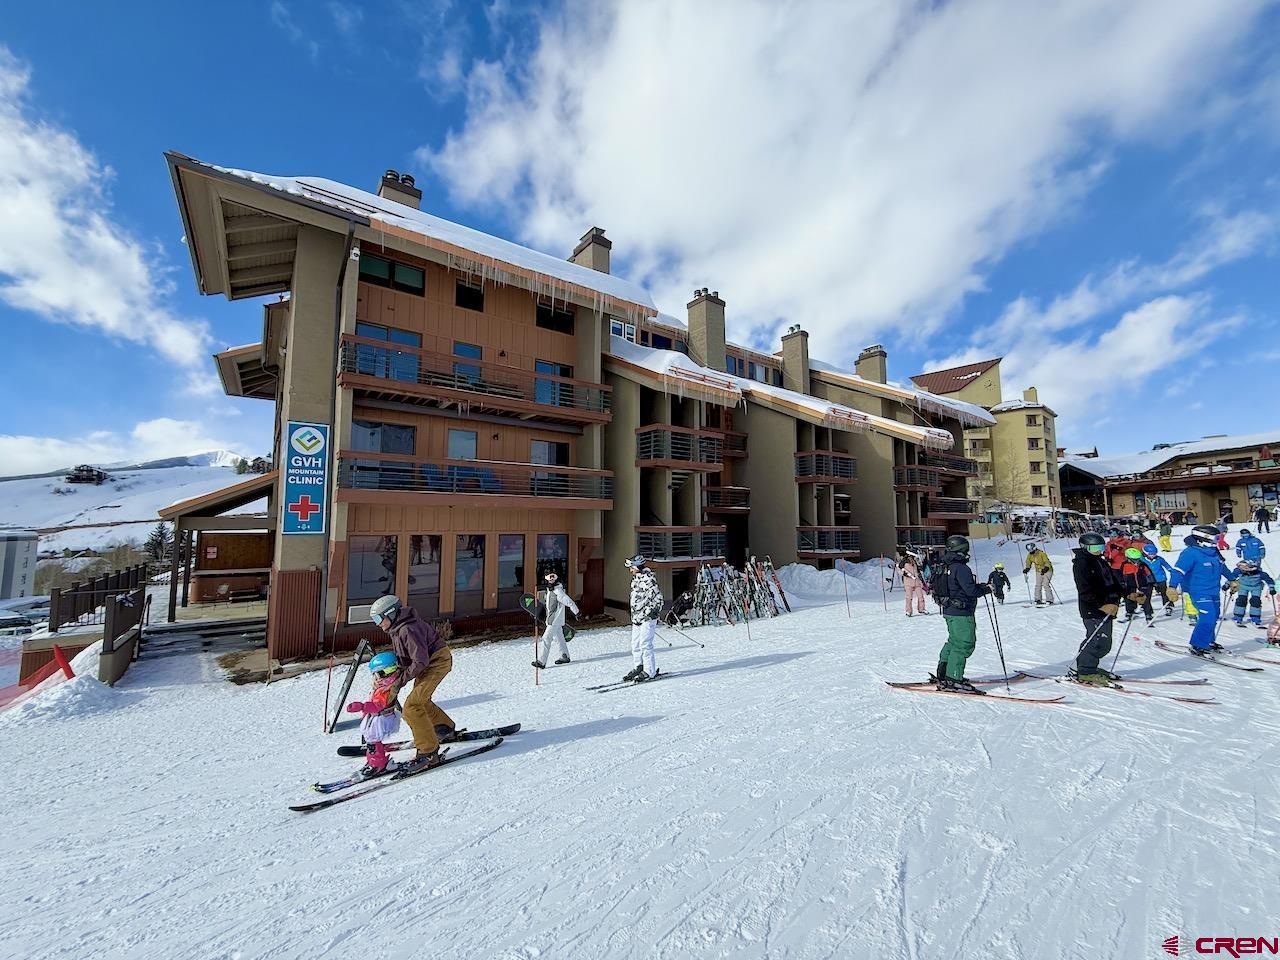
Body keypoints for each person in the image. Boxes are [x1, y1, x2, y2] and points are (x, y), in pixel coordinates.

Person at [369, 594, 455, 768]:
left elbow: (419, 661)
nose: (378, 623)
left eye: (379, 618)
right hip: (428, 663)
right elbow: (406, 659)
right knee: (420, 701)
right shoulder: (397, 629)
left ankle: (428, 753)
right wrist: (389, 678)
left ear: (391, 613)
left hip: (436, 662)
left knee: (412, 707)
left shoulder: (407, 629)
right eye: (374, 619)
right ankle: (443, 727)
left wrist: (399, 680)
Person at [930, 535, 992, 693]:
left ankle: (943, 673)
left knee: (953, 641)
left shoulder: (944, 565)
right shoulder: (961, 568)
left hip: (948, 610)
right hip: (961, 612)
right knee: (964, 643)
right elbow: (970, 590)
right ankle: (954, 678)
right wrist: (986, 589)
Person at [1168, 525, 1241, 656]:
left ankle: (1208, 641)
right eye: (1215, 538)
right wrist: (1172, 587)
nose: (1217, 541)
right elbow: (1178, 571)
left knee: (1213, 616)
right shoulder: (1190, 553)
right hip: (1198, 590)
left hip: (1213, 590)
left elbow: (1222, 567)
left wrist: (1232, 579)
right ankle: (1197, 645)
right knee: (1208, 617)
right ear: (1204, 538)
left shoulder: (1213, 552)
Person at [1072, 532, 1126, 685]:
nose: (1099, 550)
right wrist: (1102, 605)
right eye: (1095, 547)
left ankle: (1088, 666)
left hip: (1107, 608)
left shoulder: (1100, 561)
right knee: (1097, 641)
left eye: (1101, 547)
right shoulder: (1081, 564)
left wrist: (1129, 594)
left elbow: (1113, 583)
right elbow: (1084, 590)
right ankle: (1086, 671)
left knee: (1104, 643)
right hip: (1093, 609)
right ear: (1085, 547)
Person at [345, 651, 405, 777]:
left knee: (373, 743)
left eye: (381, 673)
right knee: (372, 743)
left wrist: (362, 706)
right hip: (376, 718)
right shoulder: (382, 686)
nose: (378, 677)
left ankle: (378, 764)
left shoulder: (386, 689)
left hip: (381, 719)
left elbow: (378, 705)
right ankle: (374, 762)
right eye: (376, 674)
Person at [623, 554, 664, 682]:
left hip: (647, 617)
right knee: (635, 644)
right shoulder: (636, 579)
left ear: (638, 566)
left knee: (645, 644)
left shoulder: (648, 579)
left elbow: (658, 598)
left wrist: (651, 611)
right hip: (637, 617)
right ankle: (638, 666)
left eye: (632, 567)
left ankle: (649, 670)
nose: (630, 570)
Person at [532, 571, 579, 669]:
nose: (552, 580)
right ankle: (564, 656)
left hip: (554, 619)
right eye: (550, 579)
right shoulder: (550, 590)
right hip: (553, 618)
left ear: (556, 578)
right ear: (547, 579)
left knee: (546, 638)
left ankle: (541, 661)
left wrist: (576, 611)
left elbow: (568, 601)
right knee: (559, 638)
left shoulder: (558, 590)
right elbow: (549, 605)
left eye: (553, 578)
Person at [1229, 560, 1275, 627]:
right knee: (1241, 600)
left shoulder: (1260, 573)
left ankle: (1255, 619)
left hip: (1256, 587)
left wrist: (1272, 588)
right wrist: (1227, 584)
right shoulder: (1238, 571)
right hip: (1243, 586)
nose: (1242, 570)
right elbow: (1231, 577)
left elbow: (1269, 580)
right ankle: (1238, 617)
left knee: (1255, 601)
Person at [1118, 546, 1155, 627]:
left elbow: (1149, 573)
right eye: (1134, 559)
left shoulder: (1142, 564)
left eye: (1138, 559)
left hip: (1142, 585)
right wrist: (1122, 583)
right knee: (1129, 599)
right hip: (1130, 585)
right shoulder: (1125, 565)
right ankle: (1130, 612)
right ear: (1128, 558)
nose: (1137, 561)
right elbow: (1121, 575)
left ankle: (1148, 615)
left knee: (1145, 599)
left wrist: (1153, 582)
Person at [1140, 543, 1176, 616]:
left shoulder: (1159, 559)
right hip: (1148, 579)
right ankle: (1147, 609)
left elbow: (1166, 565)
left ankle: (1168, 606)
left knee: (1164, 593)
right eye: (1151, 554)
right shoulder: (1142, 560)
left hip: (1160, 578)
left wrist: (1171, 570)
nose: (1153, 555)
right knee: (1147, 595)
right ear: (1146, 553)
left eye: (1154, 554)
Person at [899, 549, 927, 616]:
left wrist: (921, 580)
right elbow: (900, 570)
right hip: (908, 583)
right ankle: (908, 611)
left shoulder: (915, 562)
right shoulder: (904, 562)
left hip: (917, 582)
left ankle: (921, 609)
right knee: (909, 597)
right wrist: (905, 574)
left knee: (921, 597)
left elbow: (919, 570)